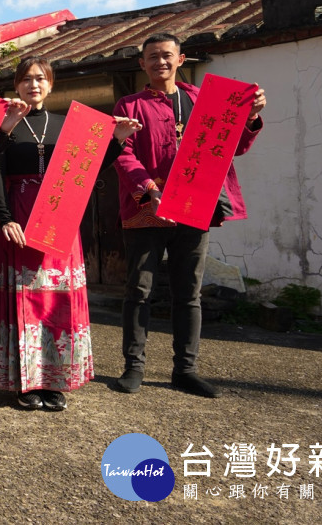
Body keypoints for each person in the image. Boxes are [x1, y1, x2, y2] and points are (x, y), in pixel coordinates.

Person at [0, 57, 141, 411]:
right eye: (26, 79)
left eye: (40, 79)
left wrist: (119, 141)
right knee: (20, 301)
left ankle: (54, 380)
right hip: (16, 217)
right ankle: (23, 381)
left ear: (50, 85)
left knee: (54, 302)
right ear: (16, 85)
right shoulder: (4, 123)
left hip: (57, 219)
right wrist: (4, 217)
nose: (33, 85)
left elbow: (88, 166)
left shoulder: (66, 125)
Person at [112, 33, 267, 398]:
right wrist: (149, 189)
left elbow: (234, 147)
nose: (160, 62)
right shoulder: (129, 104)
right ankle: (133, 367)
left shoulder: (204, 100)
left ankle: (185, 370)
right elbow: (121, 153)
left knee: (188, 292)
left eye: (167, 55)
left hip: (195, 208)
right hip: (144, 207)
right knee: (138, 290)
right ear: (142, 64)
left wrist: (252, 116)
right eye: (152, 57)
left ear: (181, 60)